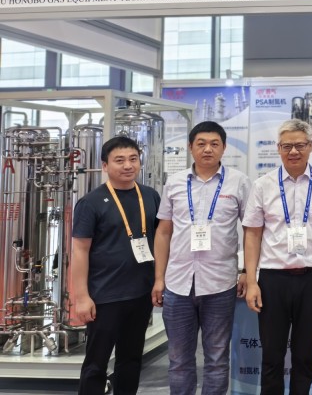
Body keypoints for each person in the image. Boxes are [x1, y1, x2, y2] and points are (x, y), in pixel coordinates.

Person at [152, 121, 252, 395]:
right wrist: (159, 278)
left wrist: (246, 271)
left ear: (224, 148)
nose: (208, 149)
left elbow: (251, 231)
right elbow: (163, 232)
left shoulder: (239, 182)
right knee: (178, 360)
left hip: (220, 283)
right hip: (178, 283)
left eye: (214, 144)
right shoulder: (174, 182)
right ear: (190, 147)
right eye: (201, 143)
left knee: (217, 359)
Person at [243, 119, 312, 395]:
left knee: (304, 354)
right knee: (272, 355)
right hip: (273, 280)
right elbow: (252, 235)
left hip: (311, 279)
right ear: (278, 148)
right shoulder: (263, 185)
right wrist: (252, 281)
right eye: (287, 146)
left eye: (300, 145)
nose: (294, 151)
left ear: (310, 146)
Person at [72, 136, 160, 395]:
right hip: (105, 296)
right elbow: (79, 250)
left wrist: (158, 280)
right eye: (119, 160)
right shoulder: (91, 202)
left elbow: (161, 241)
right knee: (96, 363)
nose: (128, 165)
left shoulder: (150, 196)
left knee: (131, 360)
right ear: (105, 165)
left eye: (133, 159)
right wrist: (82, 297)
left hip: (141, 293)